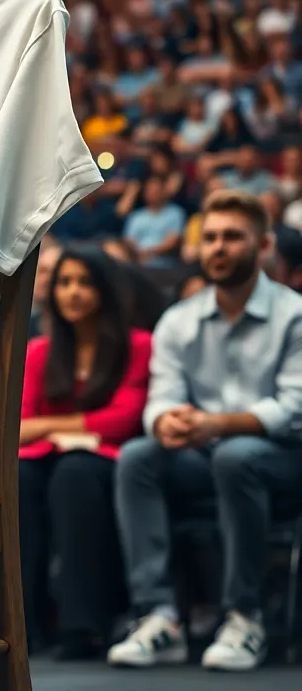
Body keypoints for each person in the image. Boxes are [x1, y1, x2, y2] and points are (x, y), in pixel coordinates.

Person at [107, 190, 302, 672]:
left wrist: (220, 424)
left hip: (282, 458)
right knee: (138, 457)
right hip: (204, 453)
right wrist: (167, 421)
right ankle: (160, 618)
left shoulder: (295, 315)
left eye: (233, 237)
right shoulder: (178, 320)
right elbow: (161, 399)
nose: (218, 247)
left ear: (263, 247)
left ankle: (244, 616)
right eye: (210, 237)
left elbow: (295, 408)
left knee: (236, 455)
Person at [0, 247, 151, 658]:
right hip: (45, 458)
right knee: (14, 477)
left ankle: (82, 625)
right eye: (65, 283)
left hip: (103, 462)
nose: (73, 292)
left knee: (75, 475)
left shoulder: (137, 346)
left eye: (85, 282)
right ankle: (15, 623)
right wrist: (65, 427)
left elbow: (123, 420)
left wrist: (50, 427)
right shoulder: (38, 351)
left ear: (105, 290)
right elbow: (19, 426)